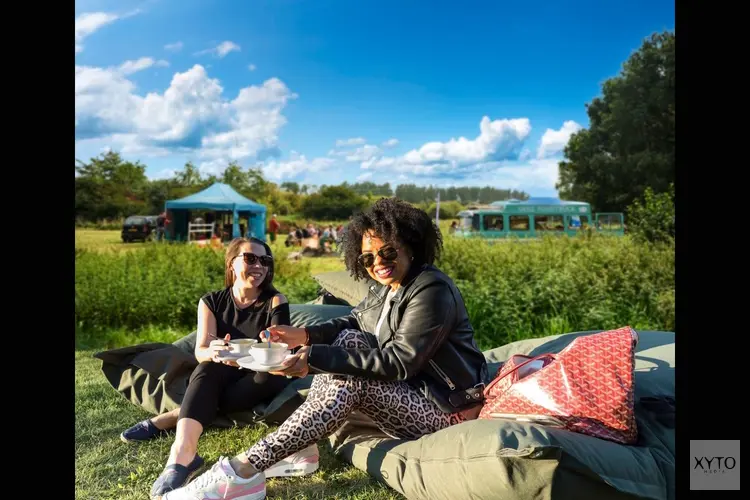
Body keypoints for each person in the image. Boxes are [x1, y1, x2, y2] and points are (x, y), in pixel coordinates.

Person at [159, 198, 488, 500]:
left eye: (388, 252)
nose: (378, 263)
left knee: (351, 375)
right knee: (347, 342)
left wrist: (312, 360)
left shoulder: (430, 288)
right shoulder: (387, 288)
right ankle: (301, 449)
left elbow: (400, 362)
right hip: (414, 394)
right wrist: (301, 334)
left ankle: (243, 469)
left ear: (410, 245)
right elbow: (351, 324)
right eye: (368, 257)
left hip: (447, 410)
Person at [119, 237, 316, 499]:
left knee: (263, 377)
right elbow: (201, 351)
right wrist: (212, 351)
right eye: (250, 258)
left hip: (263, 373)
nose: (259, 266)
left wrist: (271, 339)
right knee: (206, 370)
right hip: (224, 371)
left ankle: (171, 417)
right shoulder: (211, 302)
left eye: (265, 261)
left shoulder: (276, 300)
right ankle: (181, 456)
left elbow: (281, 350)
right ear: (231, 263)